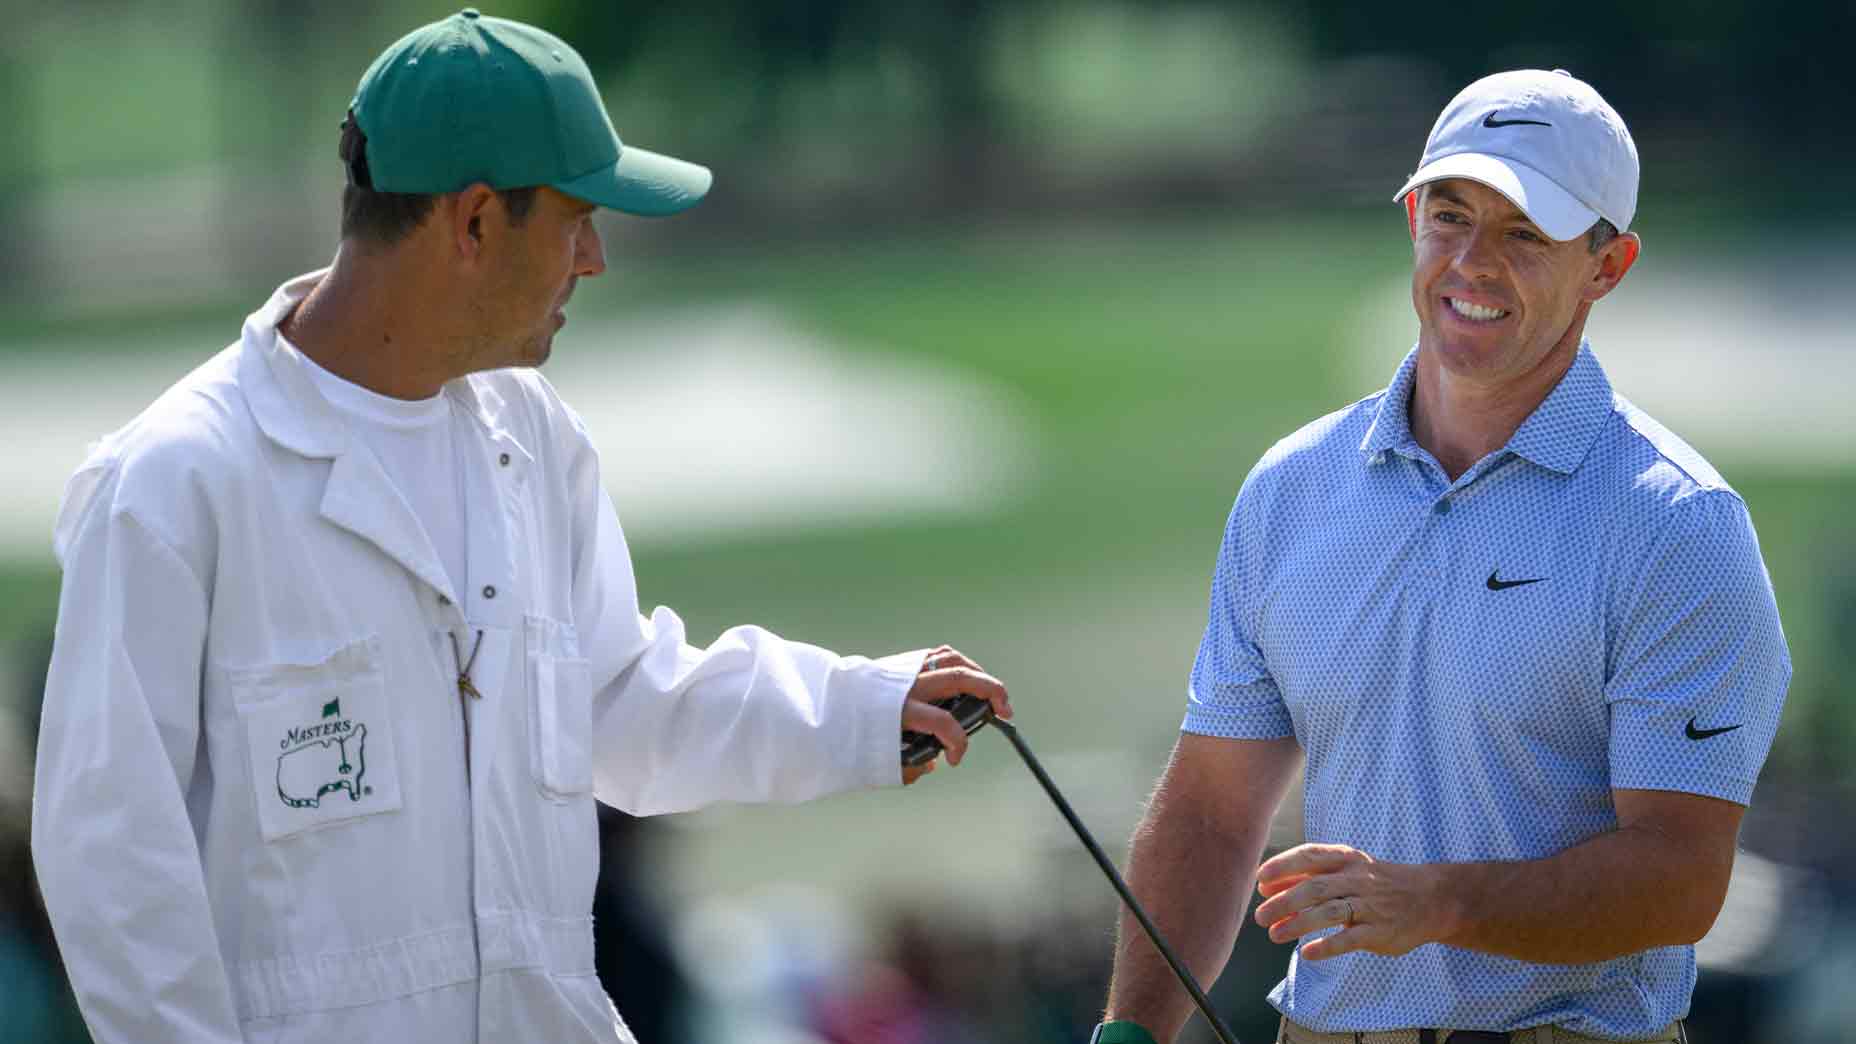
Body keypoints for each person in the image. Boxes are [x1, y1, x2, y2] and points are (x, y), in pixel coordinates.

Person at [30, 11, 1010, 1044]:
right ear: (476, 221)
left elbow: (620, 707)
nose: (593, 260)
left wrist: (859, 709)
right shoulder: (174, 484)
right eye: (576, 220)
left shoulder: (531, 439)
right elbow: (115, 870)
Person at [1093, 69, 1788, 1044]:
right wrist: (1131, 1030)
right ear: (1412, 215)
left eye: (1522, 234)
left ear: (1606, 264)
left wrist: (1439, 904)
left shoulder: (1675, 524)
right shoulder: (1291, 487)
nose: (1470, 263)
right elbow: (1210, 808)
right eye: (1449, 217)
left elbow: (1677, 878)